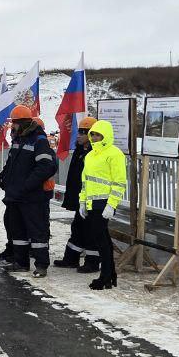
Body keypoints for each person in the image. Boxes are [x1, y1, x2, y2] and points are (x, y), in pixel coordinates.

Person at [0, 106, 58, 277]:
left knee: (37, 231)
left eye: (14, 123)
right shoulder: (18, 139)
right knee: (18, 231)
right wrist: (3, 177)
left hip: (32, 197)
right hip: (16, 196)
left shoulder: (39, 140)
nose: (11, 127)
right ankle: (21, 263)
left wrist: (26, 185)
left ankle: (41, 265)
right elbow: (11, 164)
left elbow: (47, 166)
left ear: (22, 123)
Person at [80, 119, 127, 290]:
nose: (94, 137)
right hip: (92, 203)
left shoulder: (114, 154)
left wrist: (111, 204)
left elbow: (119, 182)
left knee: (101, 241)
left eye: (98, 135)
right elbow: (85, 181)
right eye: (92, 134)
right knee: (103, 240)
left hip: (103, 203)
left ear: (106, 136)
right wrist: (82, 201)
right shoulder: (90, 155)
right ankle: (110, 275)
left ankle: (105, 276)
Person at [54, 116, 99, 271]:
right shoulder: (80, 151)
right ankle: (71, 258)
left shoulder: (96, 154)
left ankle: (92, 263)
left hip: (93, 199)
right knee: (78, 227)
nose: (79, 135)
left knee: (92, 231)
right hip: (80, 197)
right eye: (79, 131)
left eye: (83, 132)